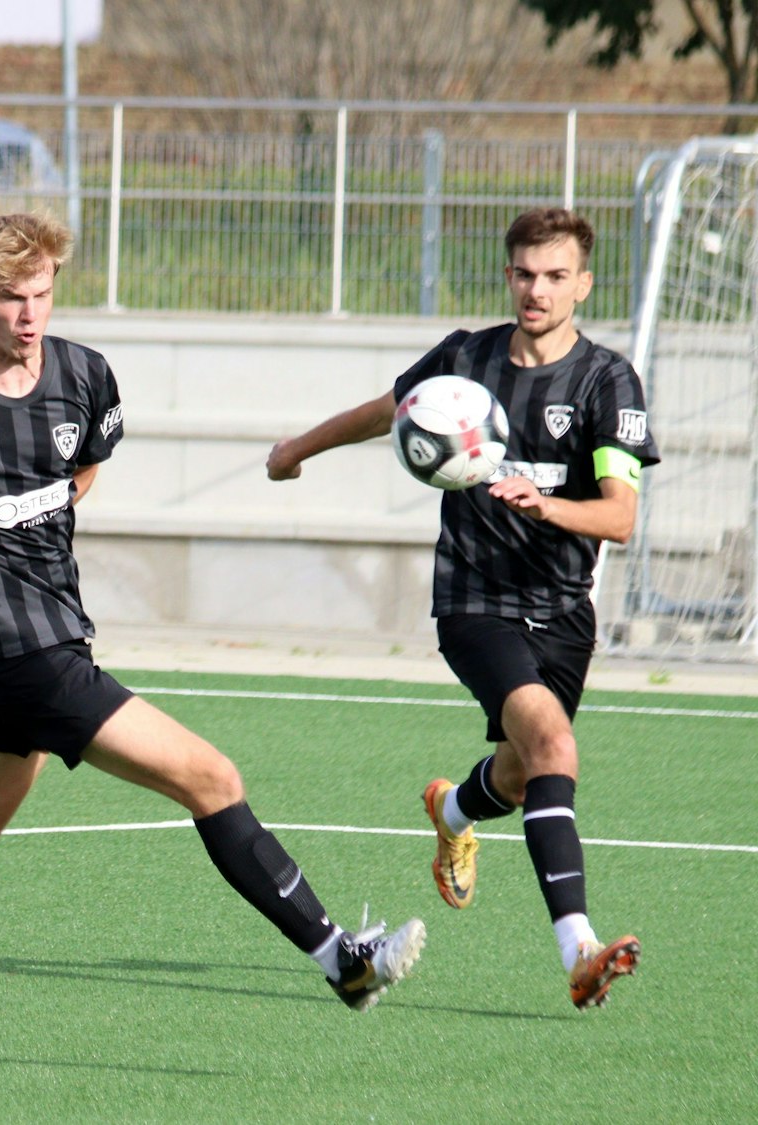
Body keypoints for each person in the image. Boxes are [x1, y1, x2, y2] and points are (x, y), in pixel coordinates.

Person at [0, 213, 424, 1059]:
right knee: (212, 777)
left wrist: (19, 538)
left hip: (58, 633)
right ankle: (340, 959)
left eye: (44, 294)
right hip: (16, 651)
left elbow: (77, 472)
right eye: (13, 298)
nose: (31, 314)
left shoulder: (85, 375)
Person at [265, 207, 657, 1010]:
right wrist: (297, 448)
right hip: (475, 600)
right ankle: (578, 947)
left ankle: (450, 808)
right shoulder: (467, 358)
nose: (536, 290)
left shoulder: (606, 382)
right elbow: (389, 409)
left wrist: (547, 507)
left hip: (564, 609)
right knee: (554, 742)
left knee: (520, 774)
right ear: (508, 274)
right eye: (523, 273)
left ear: (583, 283)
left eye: (555, 276)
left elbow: (619, 516)